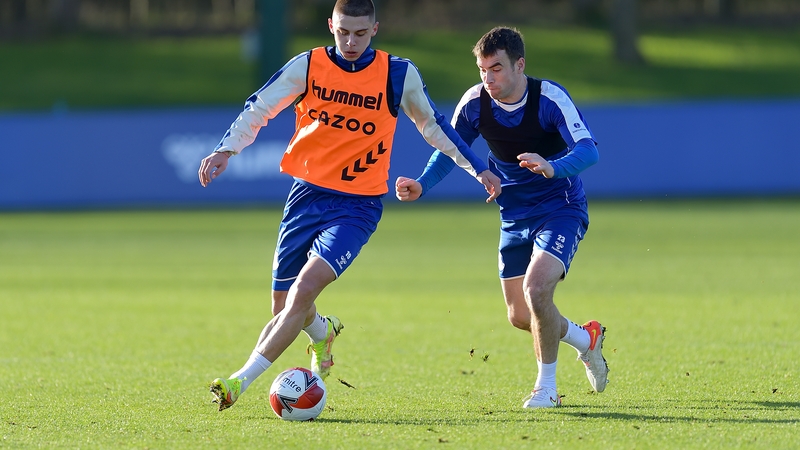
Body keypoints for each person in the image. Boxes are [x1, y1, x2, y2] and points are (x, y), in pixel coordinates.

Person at [197, 0, 501, 411]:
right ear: (330, 26)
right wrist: (226, 150)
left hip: (358, 205)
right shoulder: (308, 66)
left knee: (303, 291)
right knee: (284, 306)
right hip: (306, 196)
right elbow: (262, 107)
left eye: (360, 33)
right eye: (343, 32)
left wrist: (477, 168)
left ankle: (239, 381)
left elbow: (433, 126)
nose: (350, 41)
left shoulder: (397, 73)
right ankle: (322, 334)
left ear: (375, 29)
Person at [396, 26, 608, 409]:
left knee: (538, 288)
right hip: (513, 215)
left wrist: (552, 166)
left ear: (519, 65)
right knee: (521, 316)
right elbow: (450, 149)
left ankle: (546, 389)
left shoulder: (549, 98)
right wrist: (423, 184)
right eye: (482, 70)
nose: (487, 78)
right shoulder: (475, 103)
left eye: (496, 69)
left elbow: (589, 150)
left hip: (559, 207)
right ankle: (584, 339)